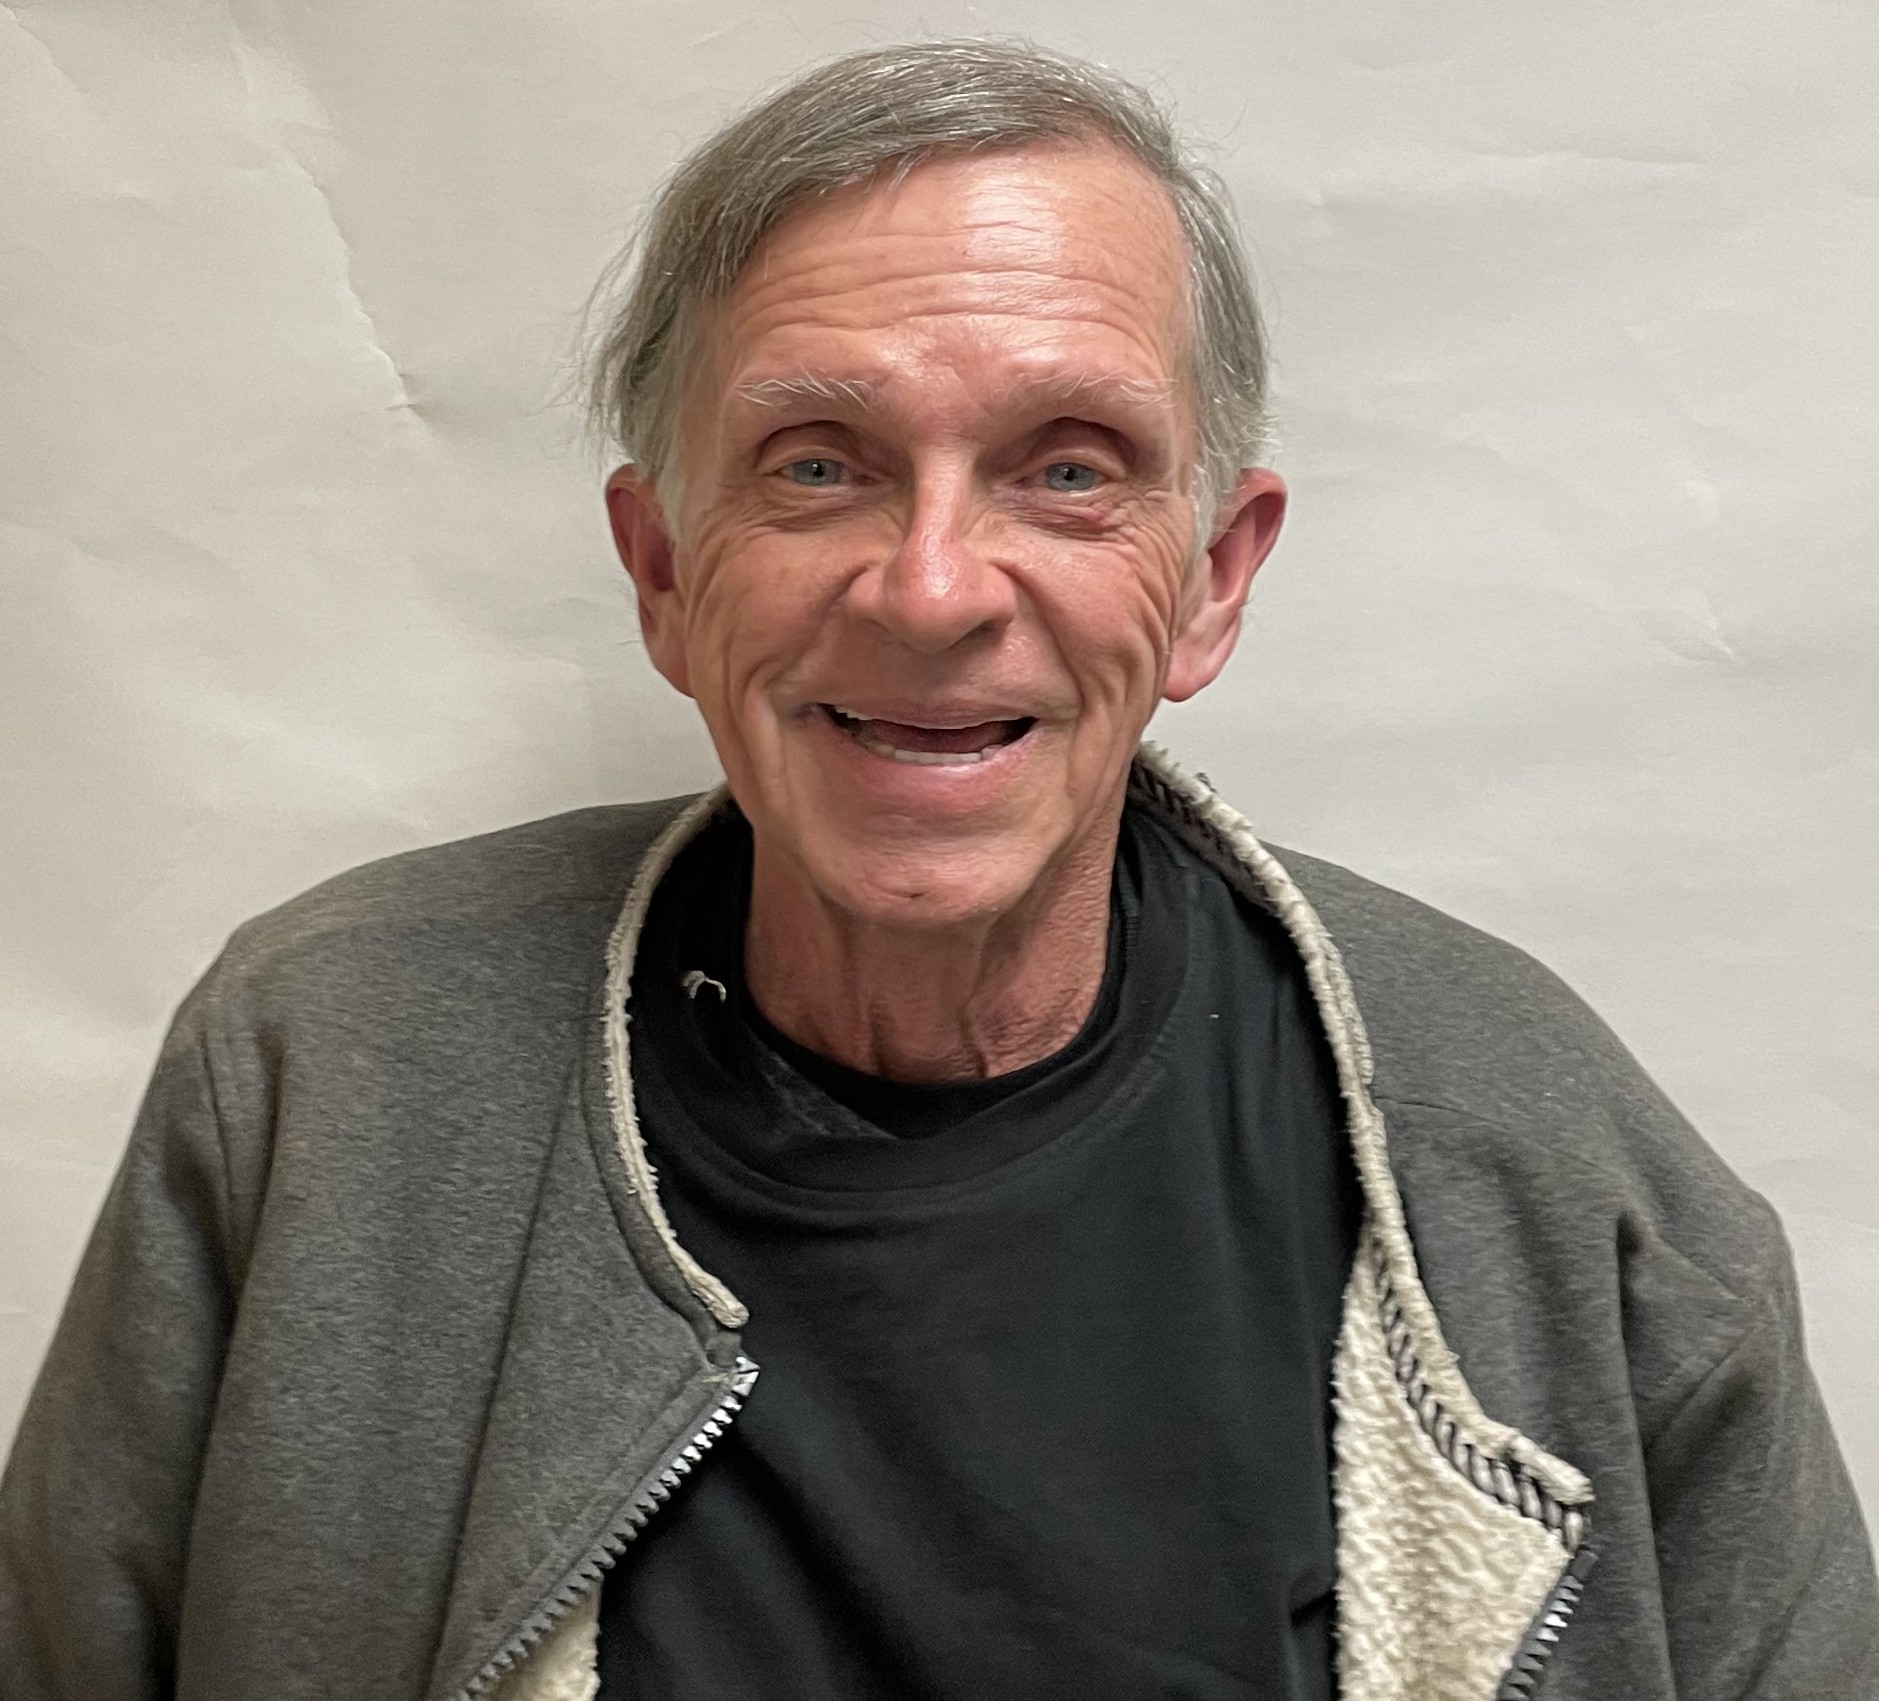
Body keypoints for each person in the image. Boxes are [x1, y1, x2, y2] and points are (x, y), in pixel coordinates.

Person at [2, 37, 1873, 1701]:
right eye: (818, 464)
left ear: (1214, 577)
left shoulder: (1541, 1155)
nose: (930, 588)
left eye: (1069, 468)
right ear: (664, 572)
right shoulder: (322, 1075)